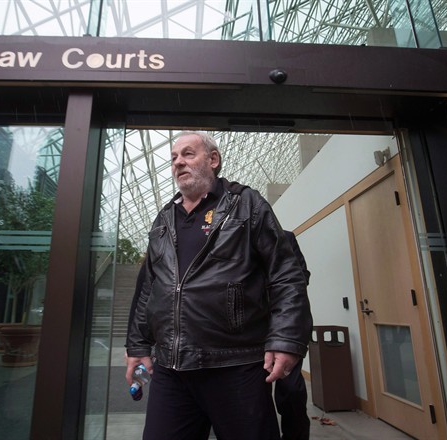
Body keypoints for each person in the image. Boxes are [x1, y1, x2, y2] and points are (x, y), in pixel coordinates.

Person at [125, 131, 312, 440]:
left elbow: (286, 273)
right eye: (173, 158)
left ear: (213, 160)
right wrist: (137, 345)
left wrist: (286, 338)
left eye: (188, 154)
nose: (178, 163)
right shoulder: (163, 220)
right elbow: (149, 288)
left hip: (235, 366)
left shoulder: (246, 204)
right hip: (172, 370)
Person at [275, 231, 312, 440]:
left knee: (291, 391)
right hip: (250, 328)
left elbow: (302, 276)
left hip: (286, 325)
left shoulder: (285, 238)